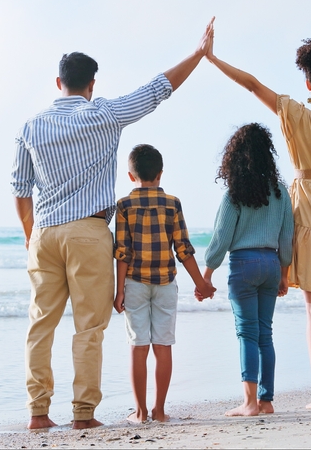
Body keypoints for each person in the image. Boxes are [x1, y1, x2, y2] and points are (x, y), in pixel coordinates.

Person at [10, 19, 215, 429]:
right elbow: (157, 90)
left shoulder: (30, 126)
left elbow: (20, 189)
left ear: (58, 82)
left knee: (40, 325)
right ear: (91, 85)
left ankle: (38, 412)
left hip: (45, 232)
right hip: (88, 232)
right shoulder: (104, 114)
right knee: (89, 328)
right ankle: (83, 414)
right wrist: (197, 55)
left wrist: (31, 236)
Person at [205, 29, 311, 410]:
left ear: (308, 81)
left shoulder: (296, 114)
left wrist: (213, 59)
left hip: (310, 210)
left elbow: (252, 85)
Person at [112, 144, 216, 423]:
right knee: (163, 345)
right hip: (166, 283)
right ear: (160, 174)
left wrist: (118, 290)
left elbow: (122, 251)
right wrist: (202, 284)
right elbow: (183, 248)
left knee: (138, 345)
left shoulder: (124, 205)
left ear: (131, 176)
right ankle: (159, 410)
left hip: (134, 282)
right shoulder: (173, 203)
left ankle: (140, 412)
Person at [201, 123, 294, 417]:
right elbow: (287, 236)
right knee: (265, 333)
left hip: (243, 265)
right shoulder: (280, 191)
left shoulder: (234, 193)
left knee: (247, 333)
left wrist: (207, 273)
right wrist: (284, 273)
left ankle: (249, 403)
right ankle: (266, 401)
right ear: (267, 154)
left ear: (236, 156)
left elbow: (221, 237)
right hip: (270, 263)